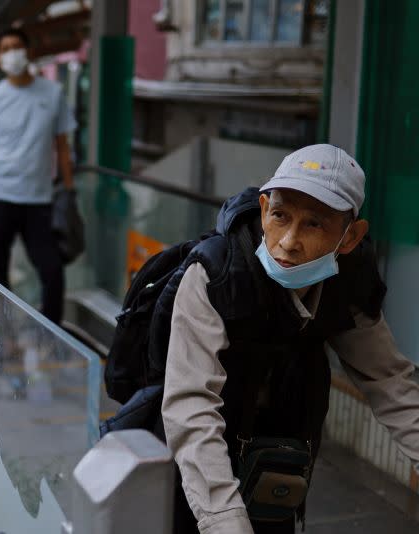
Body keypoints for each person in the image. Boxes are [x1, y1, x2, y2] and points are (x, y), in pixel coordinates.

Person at [160, 145, 419, 533]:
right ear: (264, 210)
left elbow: (391, 383)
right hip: (197, 463)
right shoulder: (215, 273)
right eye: (280, 216)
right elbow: (191, 405)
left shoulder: (348, 280)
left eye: (314, 224)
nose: (288, 242)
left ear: (350, 237)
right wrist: (224, 521)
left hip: (279, 460)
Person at [0, 27, 76, 324]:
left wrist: (69, 191)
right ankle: (0, 340)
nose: (12, 52)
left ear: (28, 52)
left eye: (17, 45)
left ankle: (54, 333)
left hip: (38, 199)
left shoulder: (52, 94)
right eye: (6, 48)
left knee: (52, 269)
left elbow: (62, 148)